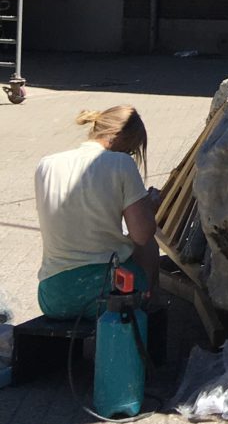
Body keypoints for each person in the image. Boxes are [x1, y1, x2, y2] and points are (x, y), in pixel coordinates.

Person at [33, 106, 159, 320]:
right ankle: (149, 307)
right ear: (123, 139)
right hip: (108, 292)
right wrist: (149, 208)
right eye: (131, 150)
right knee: (148, 245)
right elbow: (141, 235)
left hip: (54, 296)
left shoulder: (46, 165)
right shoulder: (121, 163)